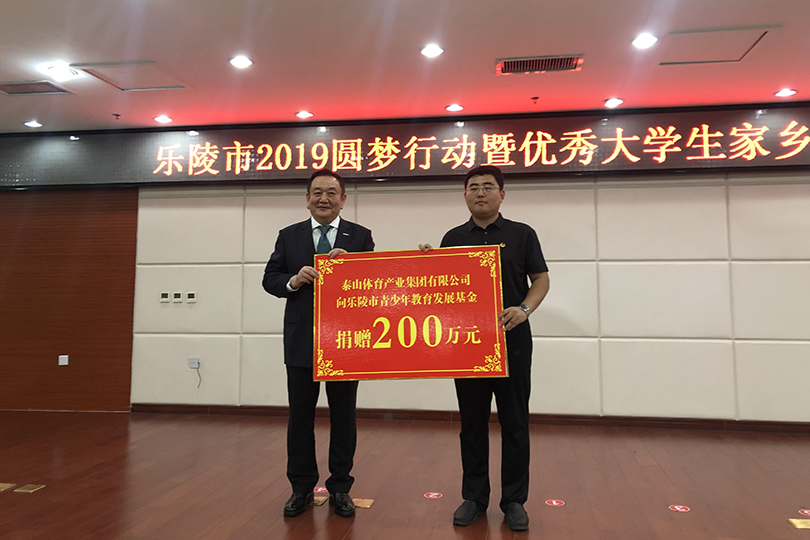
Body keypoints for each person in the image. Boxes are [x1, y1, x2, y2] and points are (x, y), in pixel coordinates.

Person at [419, 165, 550, 531]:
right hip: (467, 344)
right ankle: (474, 498)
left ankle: (514, 501)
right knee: (472, 422)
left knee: (515, 422)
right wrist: (427, 261)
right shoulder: (453, 237)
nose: (480, 192)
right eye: (473, 187)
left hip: (512, 340)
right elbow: (441, 288)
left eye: (488, 187)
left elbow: (541, 279)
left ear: (501, 194)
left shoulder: (522, 234)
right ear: (465, 195)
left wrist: (524, 309)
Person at [263, 170, 375, 518]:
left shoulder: (360, 236)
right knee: (300, 417)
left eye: (331, 193)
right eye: (317, 192)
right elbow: (270, 278)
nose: (324, 198)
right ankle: (301, 488)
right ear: (307, 198)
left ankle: (341, 487)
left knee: (344, 417)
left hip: (345, 340)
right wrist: (294, 280)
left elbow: (374, 281)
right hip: (302, 339)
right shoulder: (289, 235)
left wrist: (351, 266)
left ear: (343, 199)